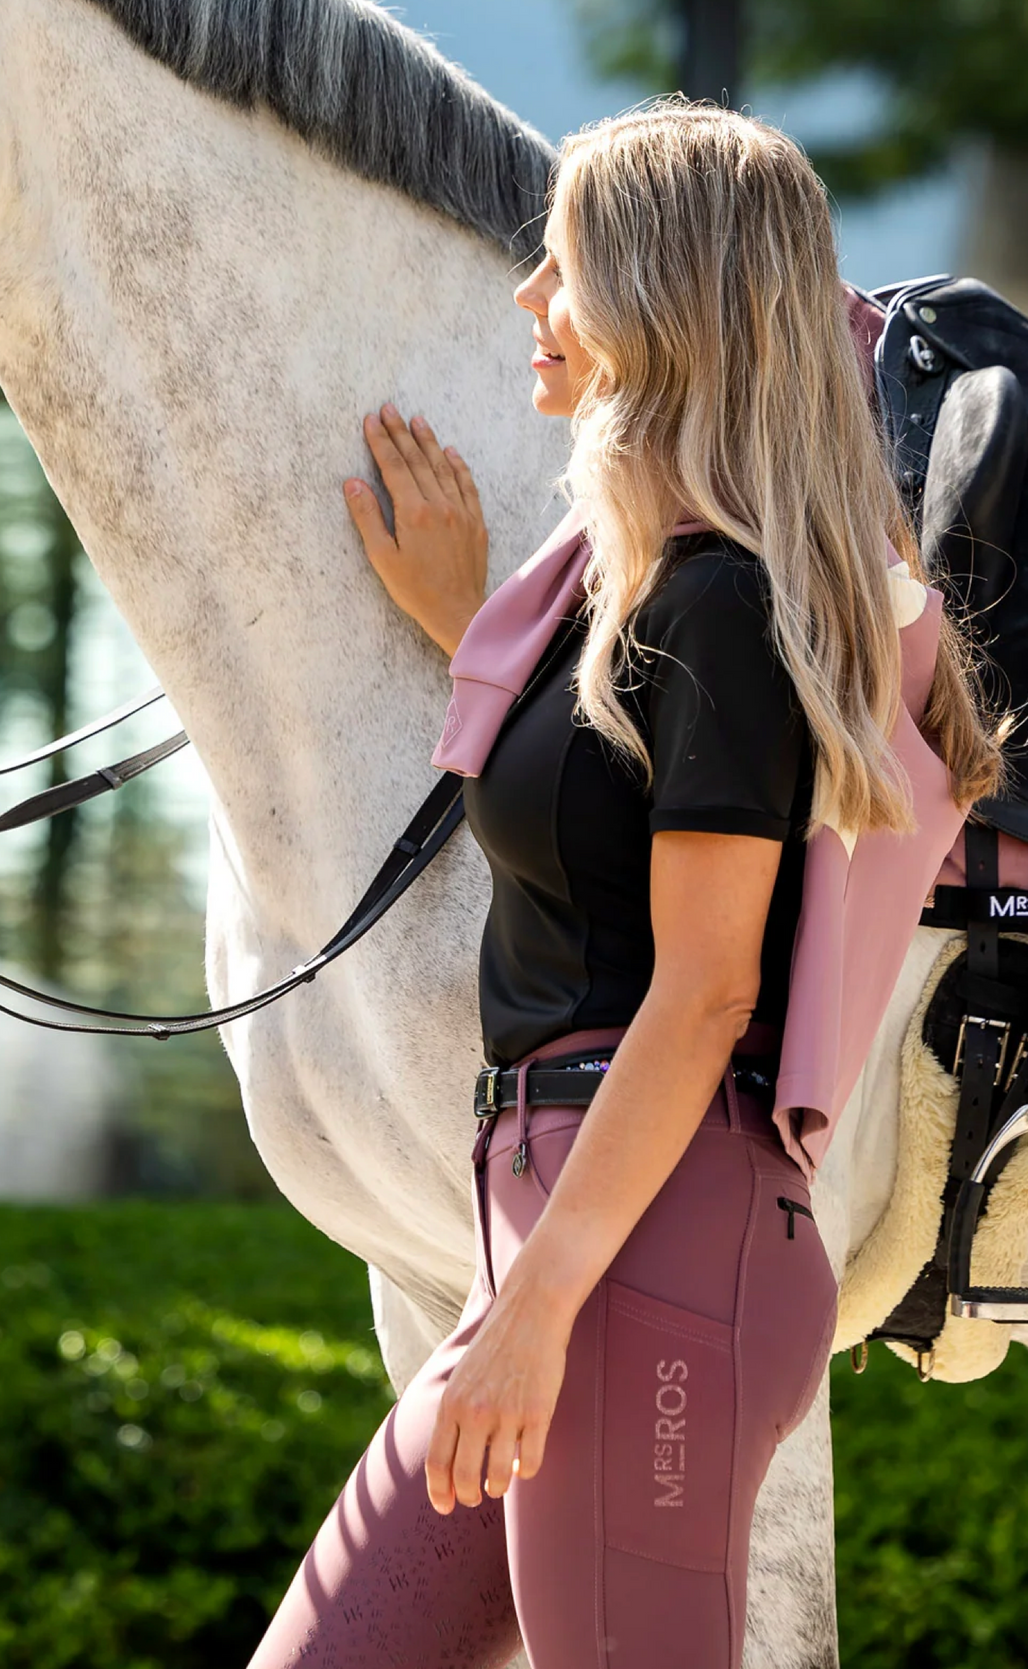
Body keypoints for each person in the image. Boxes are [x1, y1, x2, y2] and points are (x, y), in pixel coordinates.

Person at [248, 99, 999, 1669]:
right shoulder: (627, 596)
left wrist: (537, 1313)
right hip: (568, 1234)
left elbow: (708, 989)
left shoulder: (724, 605)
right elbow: (589, 808)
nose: (530, 301)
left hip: (652, 1249)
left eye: (563, 266)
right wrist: (475, 630)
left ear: (664, 298)